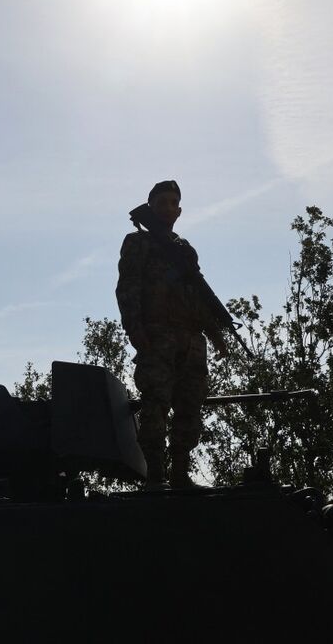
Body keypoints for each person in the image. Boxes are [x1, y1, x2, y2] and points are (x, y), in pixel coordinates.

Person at [116, 180, 229, 489]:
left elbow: (198, 297)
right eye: (161, 203)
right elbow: (128, 288)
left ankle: (180, 473)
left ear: (179, 211)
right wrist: (135, 330)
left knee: (190, 407)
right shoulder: (138, 243)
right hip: (157, 336)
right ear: (150, 207)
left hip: (191, 340)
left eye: (173, 203)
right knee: (156, 405)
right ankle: (155, 475)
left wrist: (215, 333)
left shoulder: (184, 250)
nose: (167, 208)